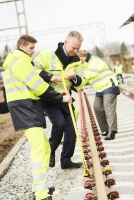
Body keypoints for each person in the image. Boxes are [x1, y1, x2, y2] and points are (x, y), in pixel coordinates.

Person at [3, 35, 72, 200]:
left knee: (45, 148)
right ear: (22, 46)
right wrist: (60, 98)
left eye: (34, 48)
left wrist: (56, 93)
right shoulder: (20, 62)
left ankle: (39, 187)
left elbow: (34, 86)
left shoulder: (23, 62)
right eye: (31, 48)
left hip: (27, 106)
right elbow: (38, 86)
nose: (33, 52)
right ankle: (40, 193)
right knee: (39, 148)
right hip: (25, 107)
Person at [34, 31, 84, 169]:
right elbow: (33, 70)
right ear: (65, 42)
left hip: (66, 98)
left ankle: (66, 161)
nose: (75, 51)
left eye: (78, 48)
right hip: (49, 98)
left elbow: (81, 82)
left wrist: (74, 77)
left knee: (71, 130)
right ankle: (50, 152)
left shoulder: (76, 60)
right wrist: (49, 77)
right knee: (60, 123)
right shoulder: (47, 54)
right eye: (73, 47)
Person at [83, 51, 120, 140]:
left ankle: (112, 131)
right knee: (97, 107)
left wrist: (80, 76)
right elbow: (86, 77)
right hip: (100, 88)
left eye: (81, 59)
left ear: (85, 55)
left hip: (109, 85)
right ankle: (106, 129)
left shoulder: (94, 60)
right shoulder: (86, 64)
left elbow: (92, 73)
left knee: (108, 106)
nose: (80, 61)